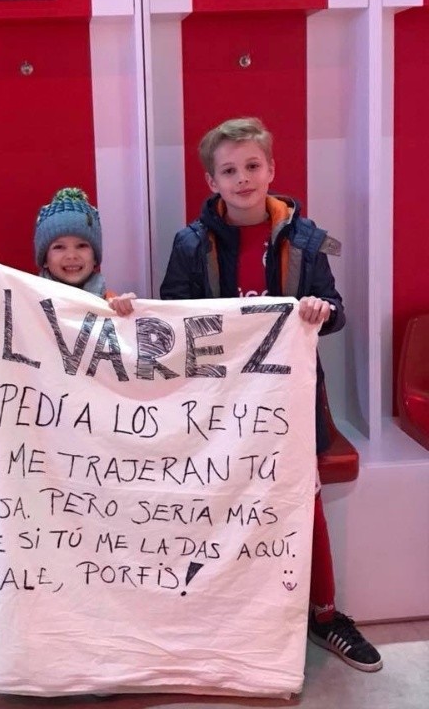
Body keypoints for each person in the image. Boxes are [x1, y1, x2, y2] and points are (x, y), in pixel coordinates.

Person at [160, 117, 382, 673]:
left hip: (290, 402)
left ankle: (324, 613)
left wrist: (319, 311)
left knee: (301, 498)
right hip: (217, 404)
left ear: (272, 170)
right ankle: (222, 612)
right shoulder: (191, 243)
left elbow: (335, 311)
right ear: (211, 181)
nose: (242, 178)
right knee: (215, 501)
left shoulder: (306, 239)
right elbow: (172, 315)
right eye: (229, 170)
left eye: (252, 166)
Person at [0, 186, 135, 317]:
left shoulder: (110, 303)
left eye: (82, 246)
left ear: (95, 258)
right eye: (59, 247)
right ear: (45, 259)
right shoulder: (24, 301)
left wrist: (129, 313)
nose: (71, 256)